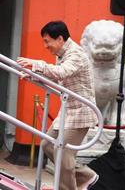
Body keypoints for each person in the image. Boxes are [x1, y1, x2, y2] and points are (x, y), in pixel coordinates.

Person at [17, 20, 99, 190]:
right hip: (68, 111)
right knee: (47, 145)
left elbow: (62, 72)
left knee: (63, 152)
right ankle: (85, 175)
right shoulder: (62, 53)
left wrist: (36, 64)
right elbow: (57, 78)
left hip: (81, 113)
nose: (45, 46)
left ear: (60, 39)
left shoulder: (76, 54)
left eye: (47, 41)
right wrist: (33, 75)